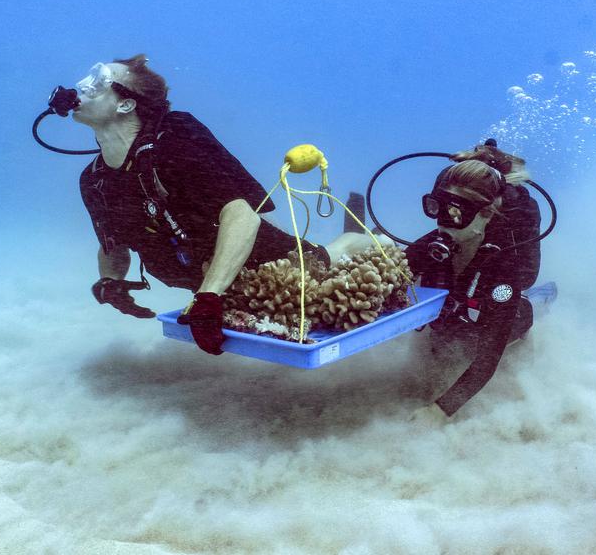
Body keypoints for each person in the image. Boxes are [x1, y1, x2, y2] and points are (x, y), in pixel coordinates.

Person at [71, 55, 374, 355]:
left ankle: (371, 239)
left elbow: (243, 216)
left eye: (99, 82)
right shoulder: (94, 181)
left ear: (126, 104)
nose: (82, 87)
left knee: (328, 259)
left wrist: (208, 298)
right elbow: (112, 245)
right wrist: (109, 282)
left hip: (262, 259)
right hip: (206, 277)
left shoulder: (174, 142)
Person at [405, 144, 541, 421]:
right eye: (436, 208)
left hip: (502, 307)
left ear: (485, 214)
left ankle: (524, 320)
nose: (443, 223)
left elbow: (487, 360)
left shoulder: (505, 266)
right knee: (446, 334)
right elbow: (396, 273)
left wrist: (440, 410)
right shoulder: (439, 239)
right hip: (459, 309)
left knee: (506, 321)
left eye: (456, 213)